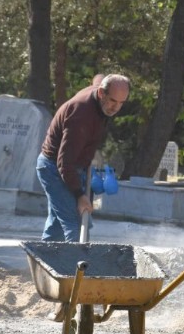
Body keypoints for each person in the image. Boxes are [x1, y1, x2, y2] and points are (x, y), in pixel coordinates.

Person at [35, 73, 130, 242]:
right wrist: (80, 195)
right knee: (76, 223)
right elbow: (64, 163)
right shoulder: (81, 115)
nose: (116, 108)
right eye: (113, 101)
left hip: (71, 167)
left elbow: (99, 78)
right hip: (54, 168)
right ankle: (77, 266)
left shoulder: (100, 97)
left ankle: (44, 261)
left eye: (121, 103)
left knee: (57, 224)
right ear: (101, 93)